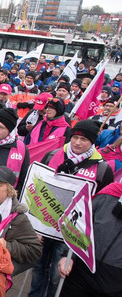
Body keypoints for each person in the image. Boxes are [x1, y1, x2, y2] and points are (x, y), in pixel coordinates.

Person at [29, 119, 114, 297]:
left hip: (70, 235)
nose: (77, 143)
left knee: (56, 277)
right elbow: (36, 188)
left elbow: (102, 205)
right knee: (38, 270)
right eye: (75, 137)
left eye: (84, 140)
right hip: (44, 226)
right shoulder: (53, 155)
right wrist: (34, 225)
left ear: (92, 143)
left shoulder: (102, 168)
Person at [57, 182, 122, 297]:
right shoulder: (110, 193)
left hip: (116, 282)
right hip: (81, 270)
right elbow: (80, 225)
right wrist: (69, 256)